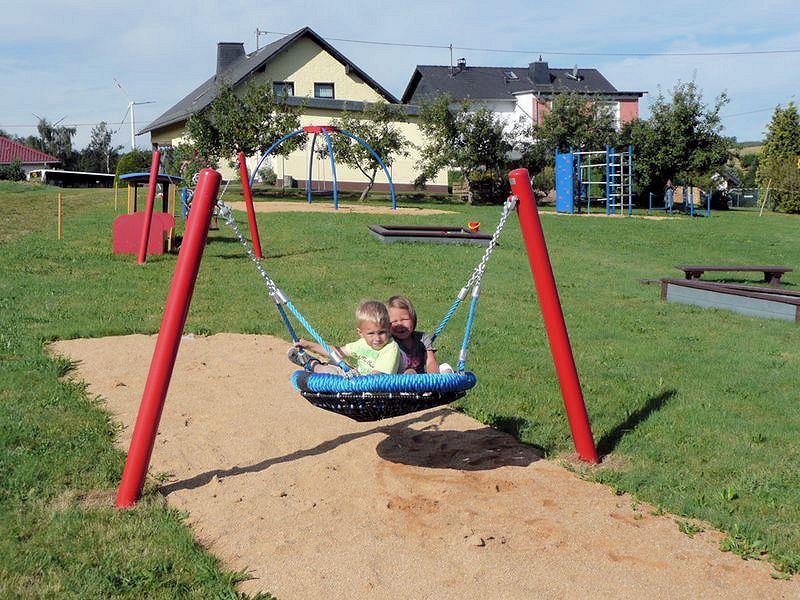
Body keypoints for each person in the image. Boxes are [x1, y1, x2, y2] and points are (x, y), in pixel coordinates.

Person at [287, 300, 400, 376]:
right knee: (334, 360)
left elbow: (377, 377)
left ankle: (311, 363)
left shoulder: (390, 348)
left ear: (389, 329)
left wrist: (350, 376)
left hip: (370, 387)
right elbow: (337, 352)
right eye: (371, 333)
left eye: (382, 332)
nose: (377, 338)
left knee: (329, 371)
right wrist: (308, 345)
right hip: (359, 379)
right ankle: (314, 363)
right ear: (361, 333)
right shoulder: (362, 344)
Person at [386, 295, 453, 374]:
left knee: (445, 367)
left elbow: (430, 361)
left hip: (422, 380)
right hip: (398, 380)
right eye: (394, 321)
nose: (400, 324)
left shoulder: (422, 338)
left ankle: (445, 379)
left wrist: (433, 378)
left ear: (413, 318)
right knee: (410, 372)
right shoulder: (389, 341)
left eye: (404, 319)